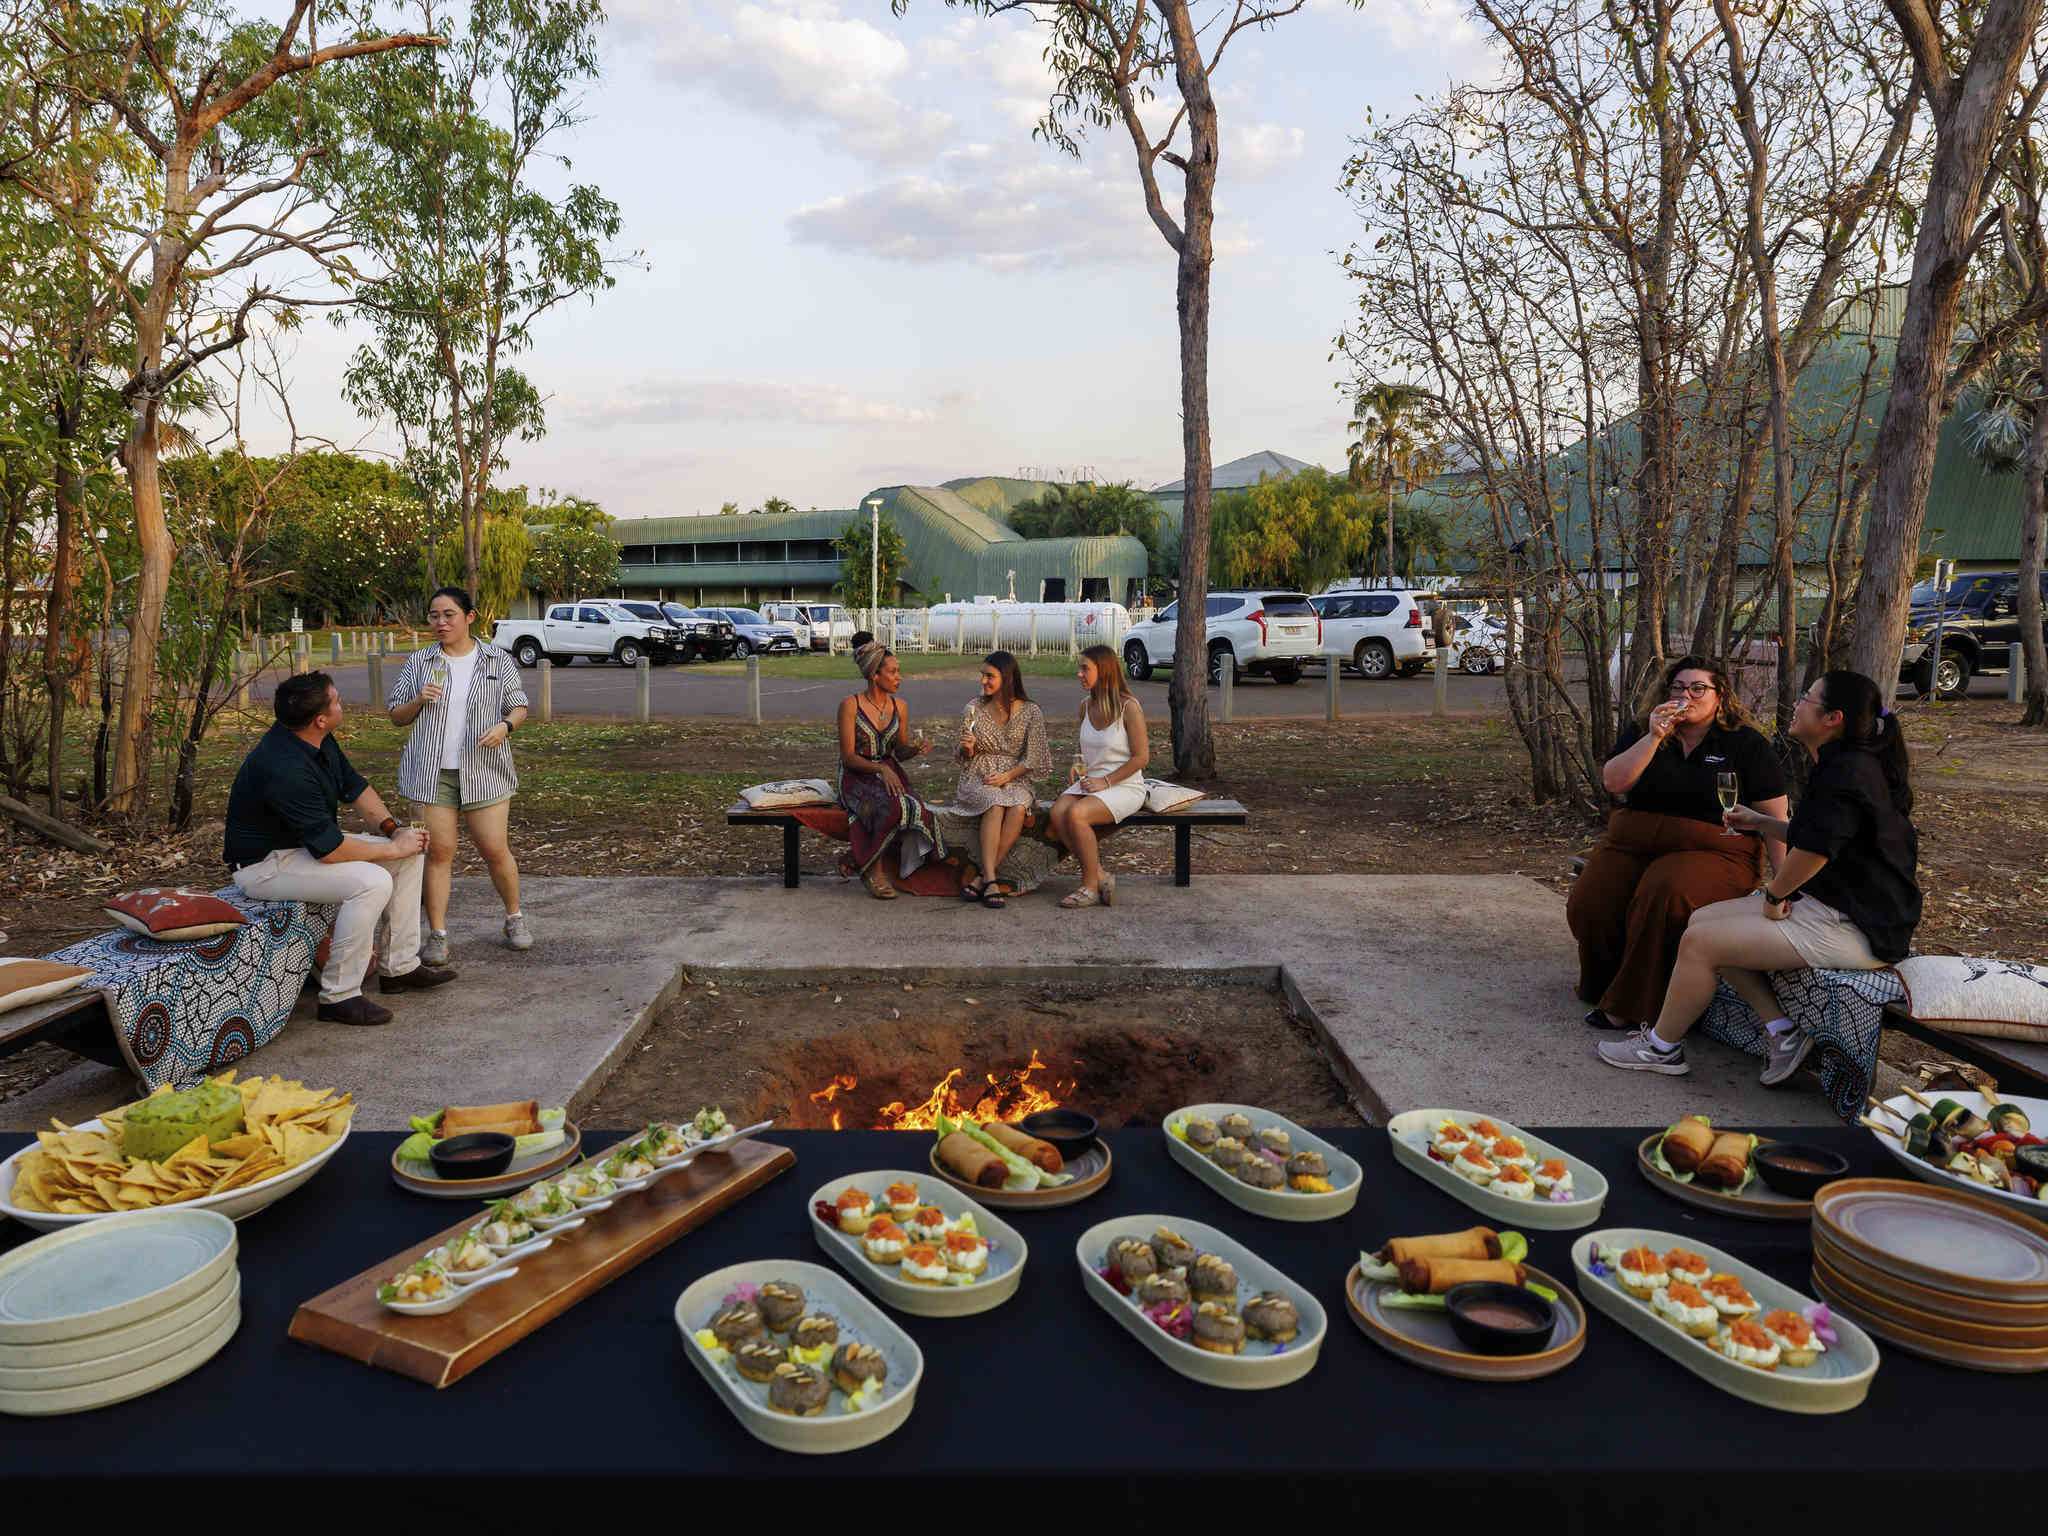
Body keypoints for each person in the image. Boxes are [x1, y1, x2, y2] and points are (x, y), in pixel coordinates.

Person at [1598, 669, 1921, 1083]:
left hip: (1858, 927)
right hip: (1835, 908)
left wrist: (1775, 894)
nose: (1796, 705)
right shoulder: (1841, 763)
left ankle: (1662, 1047)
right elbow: (1827, 834)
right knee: (1701, 921)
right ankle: (1783, 1032)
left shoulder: (1846, 772)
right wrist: (1761, 822)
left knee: (1701, 943)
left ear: (1832, 718)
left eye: (1806, 698)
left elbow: (1817, 850)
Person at [1567, 656, 1788, 1030]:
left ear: (1720, 696)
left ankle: (1633, 1005)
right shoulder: (1646, 730)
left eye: (1698, 688)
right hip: (1633, 842)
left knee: (1666, 893)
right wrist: (1654, 737)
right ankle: (1604, 985)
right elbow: (1614, 782)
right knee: (1592, 899)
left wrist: (1785, 882)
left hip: (1714, 849)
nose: (1686, 696)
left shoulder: (1745, 743)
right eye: (1678, 688)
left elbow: (1776, 817)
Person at [225, 671, 456, 1027]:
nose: (341, 704)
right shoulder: (284, 767)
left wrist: (394, 831)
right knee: (372, 882)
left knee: (408, 855)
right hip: (263, 867)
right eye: (335, 701)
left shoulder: (315, 738)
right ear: (320, 719)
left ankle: (400, 967)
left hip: (300, 849)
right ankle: (339, 996)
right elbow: (331, 851)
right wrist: (392, 850)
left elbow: (355, 787)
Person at [386, 587, 532, 959]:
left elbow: (518, 706)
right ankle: (437, 934)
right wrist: (418, 699)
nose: (441, 622)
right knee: (439, 853)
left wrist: (505, 727)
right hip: (431, 774)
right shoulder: (420, 662)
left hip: (484, 770)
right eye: (434, 616)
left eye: (449, 615)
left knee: (495, 849)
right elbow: (396, 716)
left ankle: (514, 917)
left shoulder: (496, 660)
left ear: (469, 617)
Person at [837, 641, 944, 899]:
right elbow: (848, 757)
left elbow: (899, 751)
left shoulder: (900, 707)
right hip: (856, 775)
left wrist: (914, 749)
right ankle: (872, 869)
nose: (899, 677)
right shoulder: (850, 705)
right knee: (892, 807)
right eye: (893, 672)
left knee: (915, 808)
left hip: (890, 772)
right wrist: (880, 769)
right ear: (875, 675)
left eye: (899, 671)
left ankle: (857, 858)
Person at [1049, 643, 1150, 909]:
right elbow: (1084, 745)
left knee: (1077, 814)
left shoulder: (1129, 707)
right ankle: (1101, 875)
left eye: (1085, 669)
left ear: (1103, 671)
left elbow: (1141, 757)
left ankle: (1090, 887)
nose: (1079, 674)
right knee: (1058, 812)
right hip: (1091, 783)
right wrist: (1077, 763)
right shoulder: (1085, 706)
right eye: (1079, 669)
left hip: (1124, 785)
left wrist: (1105, 781)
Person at [955, 651, 1051, 908]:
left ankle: (982, 878)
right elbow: (962, 756)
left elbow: (1034, 757)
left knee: (1018, 807)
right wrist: (968, 748)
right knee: (995, 803)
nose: (983, 681)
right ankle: (991, 879)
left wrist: (1007, 776)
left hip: (1015, 776)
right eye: (982, 675)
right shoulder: (973, 708)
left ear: (1007, 678)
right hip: (979, 774)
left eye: (990, 676)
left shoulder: (1030, 711)